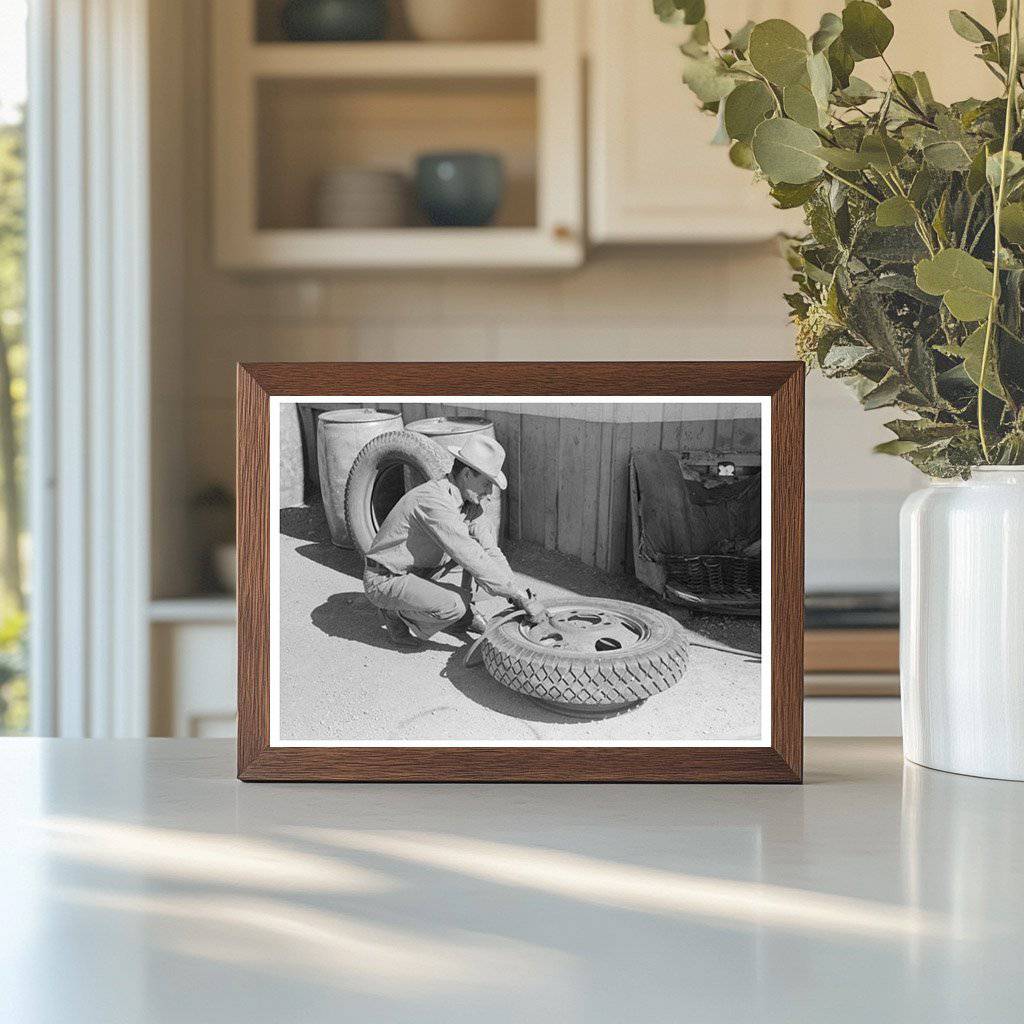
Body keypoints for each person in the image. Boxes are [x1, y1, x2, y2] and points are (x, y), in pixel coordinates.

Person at [362, 434, 542, 647]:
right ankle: (395, 614)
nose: (490, 493)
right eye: (486, 484)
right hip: (386, 578)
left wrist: (517, 594)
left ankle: (463, 615)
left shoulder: (469, 503)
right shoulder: (433, 501)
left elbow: (489, 551)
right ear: (467, 474)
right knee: (454, 604)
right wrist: (516, 594)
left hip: (420, 570)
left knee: (485, 569)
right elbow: (468, 554)